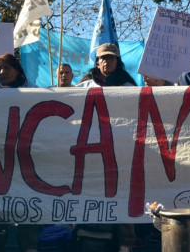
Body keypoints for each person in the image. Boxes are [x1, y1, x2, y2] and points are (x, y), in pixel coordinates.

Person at [76, 43, 140, 251]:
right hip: (92, 152)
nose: (106, 61)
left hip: (122, 150)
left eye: (111, 58)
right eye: (103, 58)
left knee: (122, 194)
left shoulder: (129, 88)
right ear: (97, 62)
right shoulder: (85, 87)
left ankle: (125, 243)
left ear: (117, 62)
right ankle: (92, 238)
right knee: (94, 193)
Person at [0, 53, 40, 252]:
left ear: (17, 69)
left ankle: (29, 245)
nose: (2, 72)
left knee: (28, 200)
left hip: (26, 156)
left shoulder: (33, 90)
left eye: (6, 68)